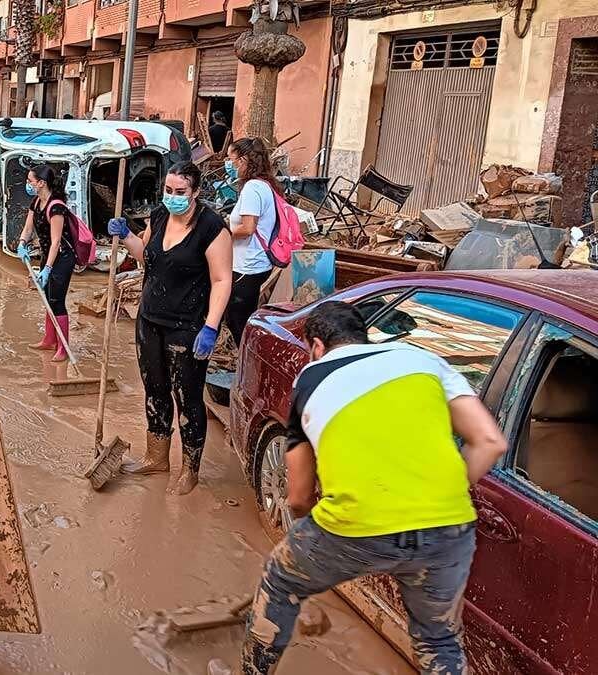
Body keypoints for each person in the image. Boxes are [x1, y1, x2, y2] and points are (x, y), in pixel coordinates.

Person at [240, 301, 508, 675]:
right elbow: (490, 442)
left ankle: (253, 669)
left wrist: (305, 537)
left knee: (280, 581)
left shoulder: (311, 378)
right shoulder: (424, 360)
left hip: (357, 525)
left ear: (316, 346)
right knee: (439, 642)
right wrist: (437, 496)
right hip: (448, 526)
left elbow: (298, 496)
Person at [107, 162, 232, 495]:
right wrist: (126, 236)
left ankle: (190, 468)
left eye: (180, 192)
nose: (172, 196)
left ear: (196, 192)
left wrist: (211, 326)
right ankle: (156, 456)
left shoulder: (212, 228)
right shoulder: (160, 215)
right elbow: (147, 256)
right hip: (150, 320)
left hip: (187, 327)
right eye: (168, 190)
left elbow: (222, 280)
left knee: (187, 397)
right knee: (155, 390)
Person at [14, 164, 76, 363]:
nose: (27, 184)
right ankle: (49, 340)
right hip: (47, 255)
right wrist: (22, 243)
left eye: (30, 181)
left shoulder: (56, 207)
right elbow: (28, 228)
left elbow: (56, 241)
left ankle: (63, 348)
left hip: (62, 258)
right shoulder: (36, 202)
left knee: (57, 301)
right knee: (47, 298)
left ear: (41, 183)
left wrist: (48, 268)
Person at [225, 137, 280, 346]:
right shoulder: (265, 185)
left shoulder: (252, 188)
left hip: (247, 265)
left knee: (237, 321)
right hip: (255, 263)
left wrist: (222, 234)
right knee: (241, 318)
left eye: (231, 159)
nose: (229, 165)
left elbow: (248, 228)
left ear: (243, 160)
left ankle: (246, 360)